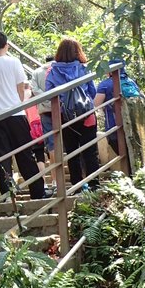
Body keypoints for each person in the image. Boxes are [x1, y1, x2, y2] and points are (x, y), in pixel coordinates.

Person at [0, 31, 47, 199]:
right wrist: (21, 102)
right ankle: (38, 192)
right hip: (16, 114)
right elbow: (21, 88)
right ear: (6, 45)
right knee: (25, 155)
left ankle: (7, 196)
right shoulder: (14, 62)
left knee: (3, 158)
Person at [45, 37, 100, 189]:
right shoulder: (84, 68)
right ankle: (95, 184)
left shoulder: (52, 71)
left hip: (66, 117)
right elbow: (93, 91)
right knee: (90, 151)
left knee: (72, 151)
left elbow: (48, 94)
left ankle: (77, 185)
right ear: (78, 51)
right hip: (86, 115)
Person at [94, 59, 141, 156]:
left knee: (122, 152)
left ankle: (128, 170)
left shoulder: (105, 85)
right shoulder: (131, 82)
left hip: (114, 125)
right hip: (134, 124)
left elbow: (96, 104)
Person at [30, 55, 55, 165]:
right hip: (60, 109)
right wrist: (53, 99)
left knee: (51, 142)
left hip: (44, 110)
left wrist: (46, 98)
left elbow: (34, 89)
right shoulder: (58, 69)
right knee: (68, 139)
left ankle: (55, 177)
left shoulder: (36, 72)